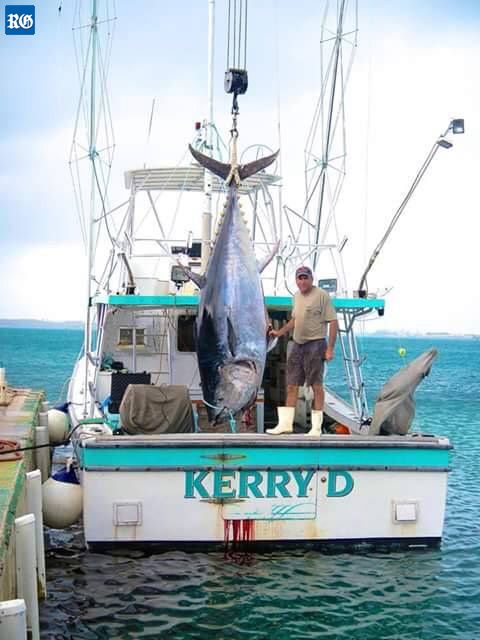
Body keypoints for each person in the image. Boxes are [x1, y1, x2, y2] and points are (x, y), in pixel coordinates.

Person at [266, 265, 338, 436]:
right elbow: (295, 320)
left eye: (306, 277)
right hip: (297, 345)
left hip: (315, 344)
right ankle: (285, 424)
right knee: (291, 385)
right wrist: (279, 332)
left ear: (311, 279)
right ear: (296, 280)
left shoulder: (322, 295)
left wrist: (330, 349)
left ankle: (316, 427)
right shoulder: (296, 297)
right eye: (300, 278)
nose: (303, 281)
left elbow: (333, 322)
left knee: (316, 386)